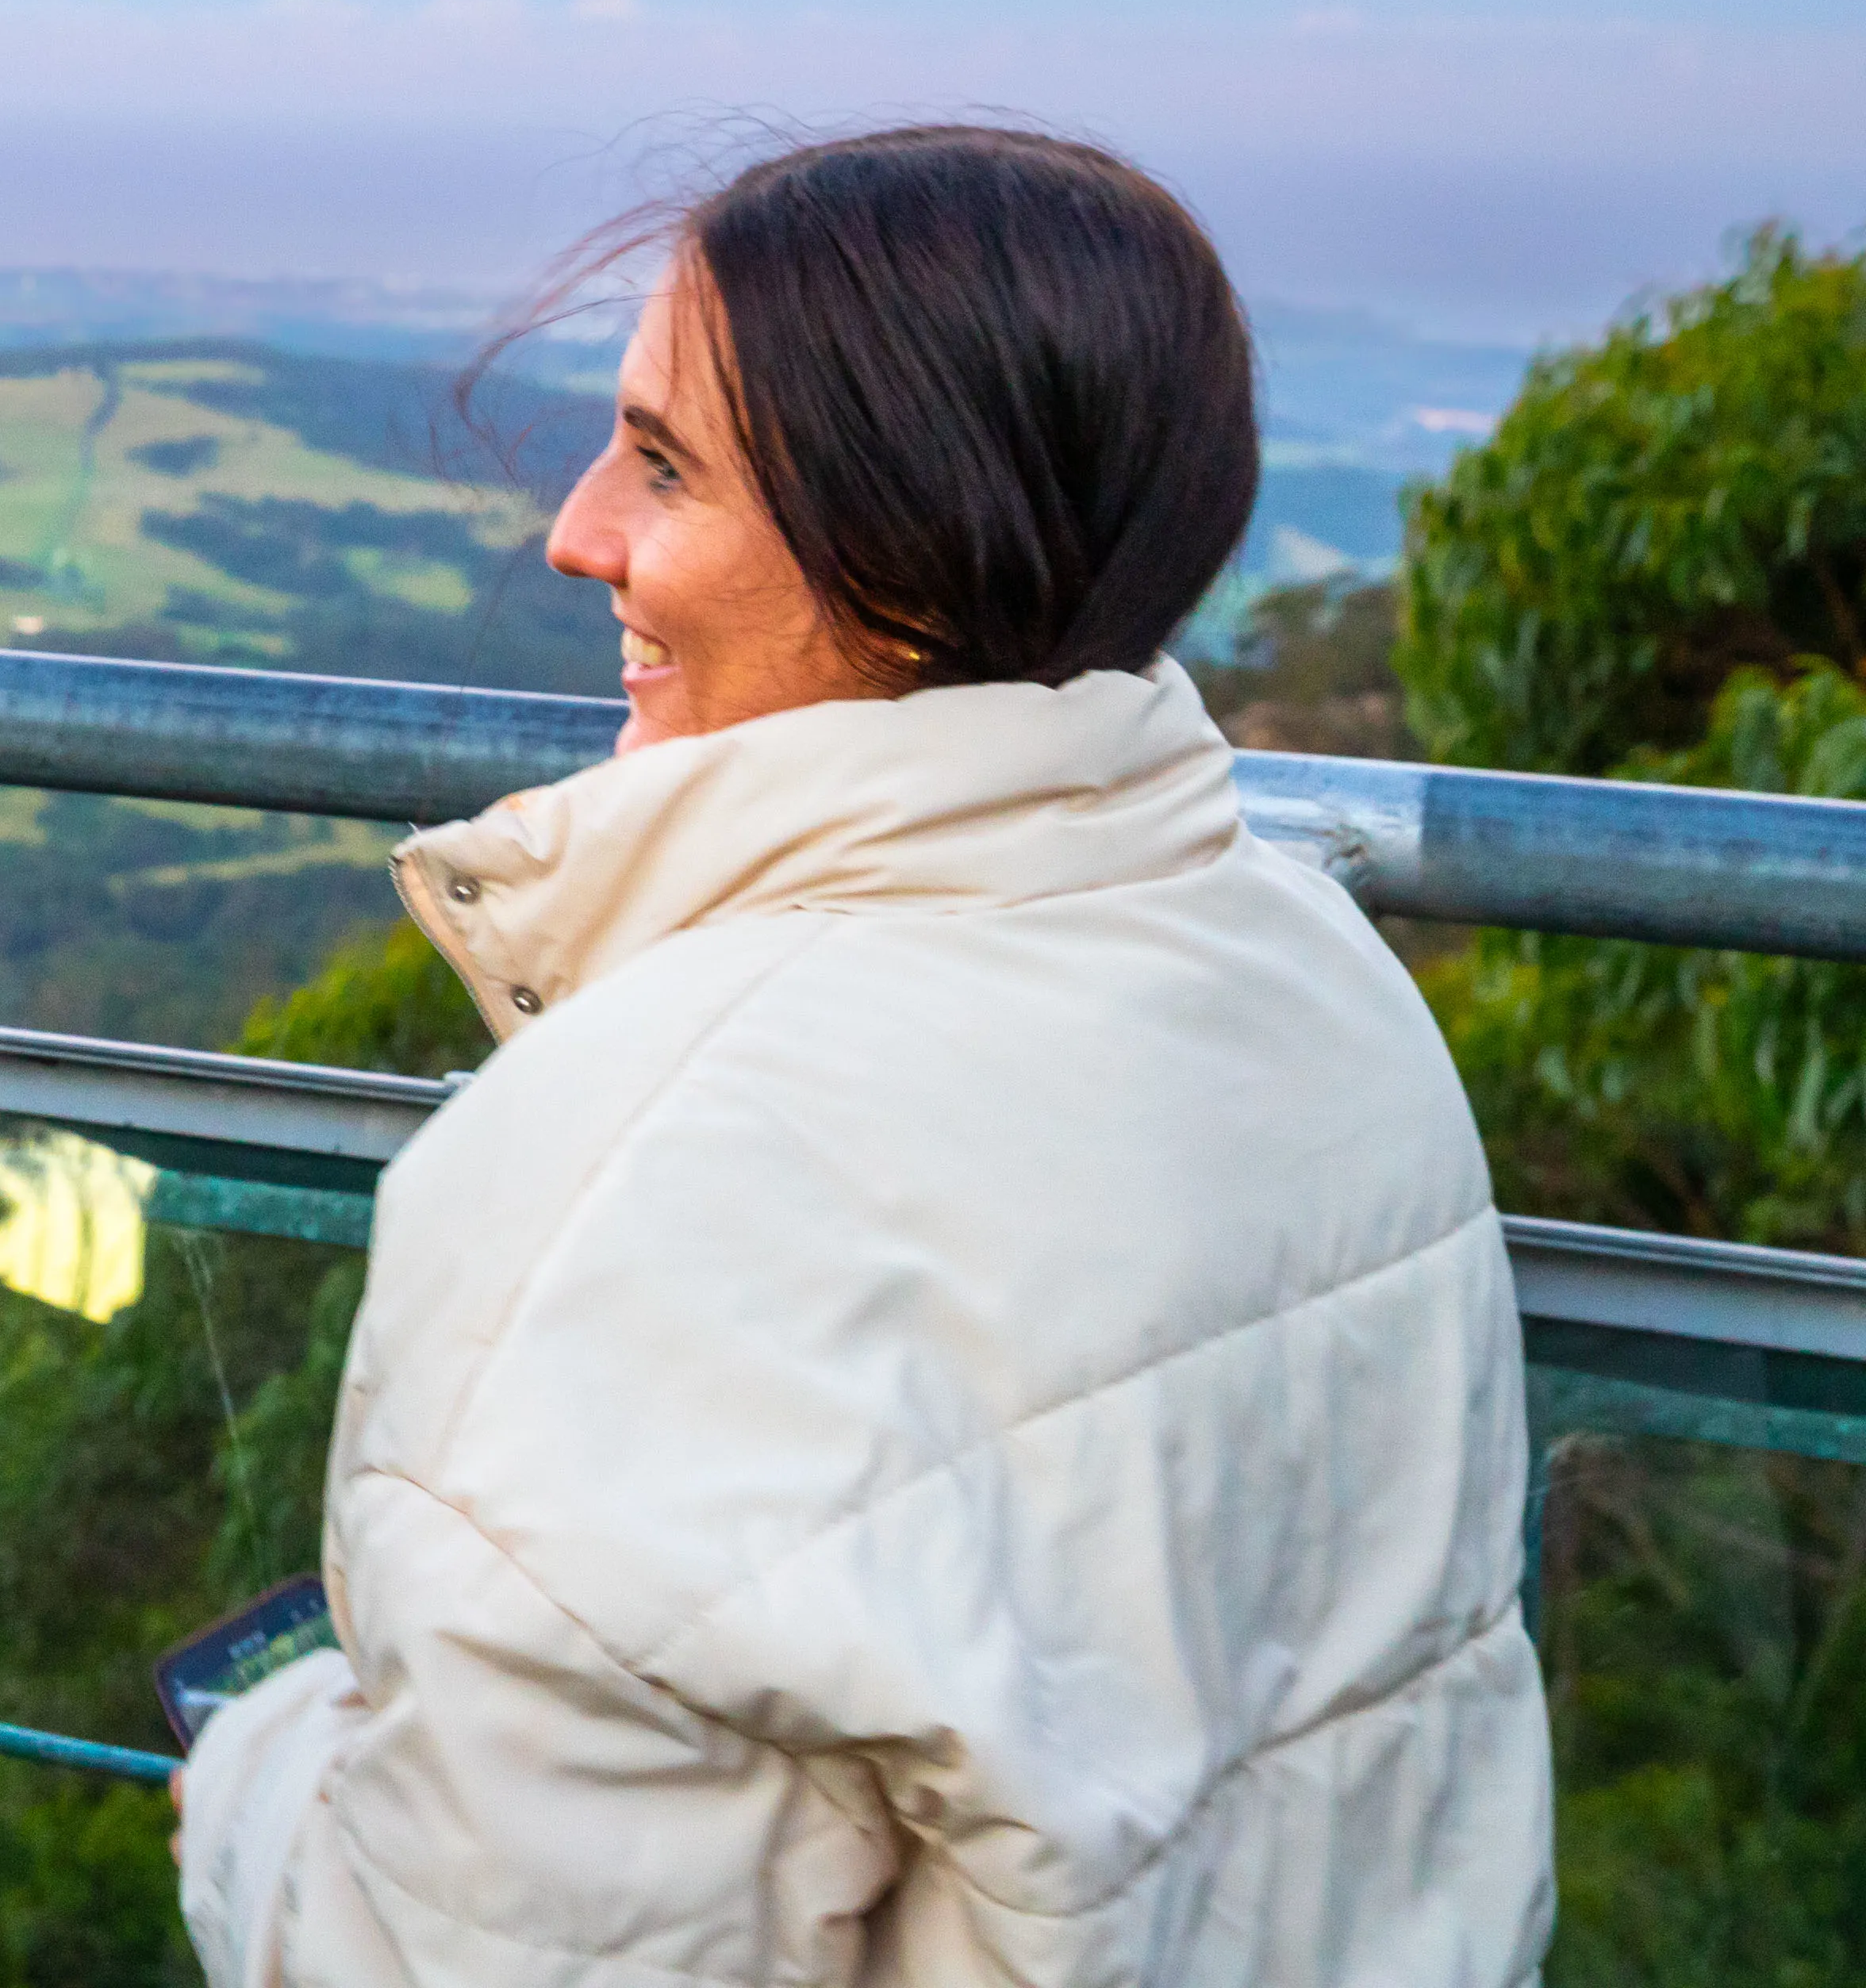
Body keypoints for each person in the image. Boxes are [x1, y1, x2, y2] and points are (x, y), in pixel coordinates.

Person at [172, 125, 1547, 1985]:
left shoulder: (639, 1172)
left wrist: (256, 1779)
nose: (579, 529)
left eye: (663, 463)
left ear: (904, 567)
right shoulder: (1313, 964)